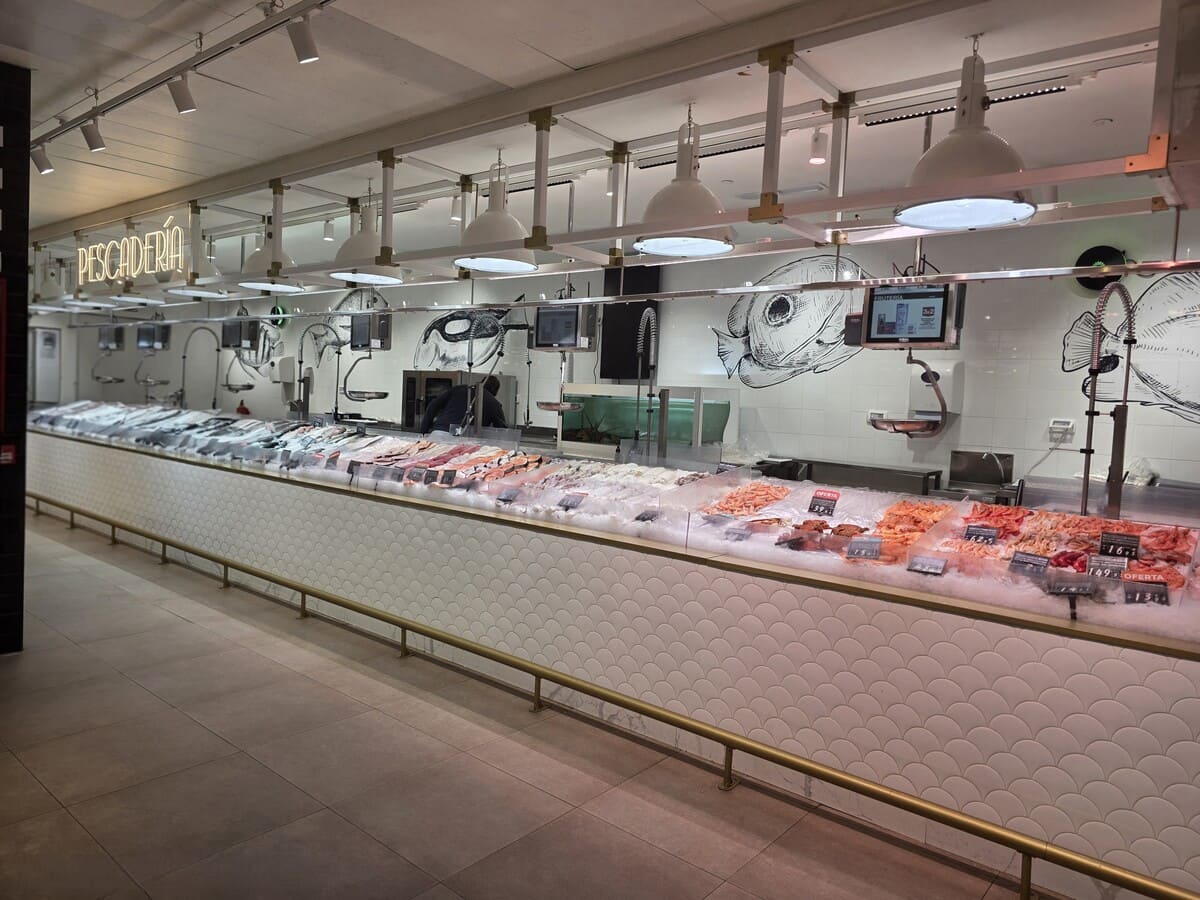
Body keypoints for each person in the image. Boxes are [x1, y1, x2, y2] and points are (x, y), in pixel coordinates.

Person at [419, 375, 507, 433]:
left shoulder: (459, 389)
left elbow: (432, 406)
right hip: (461, 438)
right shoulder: (493, 403)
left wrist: (423, 432)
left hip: (438, 432)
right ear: (495, 392)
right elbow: (502, 431)